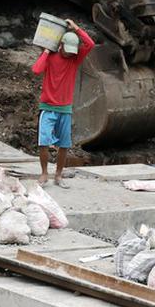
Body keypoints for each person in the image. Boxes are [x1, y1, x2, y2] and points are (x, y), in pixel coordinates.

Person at [32, 19, 95, 187]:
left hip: (65, 108)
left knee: (64, 144)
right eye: (67, 50)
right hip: (47, 107)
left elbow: (90, 44)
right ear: (60, 45)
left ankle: (58, 175)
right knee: (43, 142)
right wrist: (45, 52)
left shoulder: (75, 59)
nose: (70, 54)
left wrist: (76, 28)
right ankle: (44, 173)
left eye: (72, 51)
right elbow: (36, 70)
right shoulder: (51, 57)